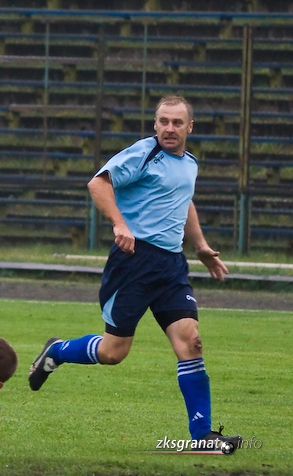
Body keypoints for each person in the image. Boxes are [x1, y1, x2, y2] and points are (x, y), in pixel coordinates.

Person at [28, 95, 241, 450]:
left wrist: (201, 246)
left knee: (191, 342)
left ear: (190, 127)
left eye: (176, 122)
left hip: (171, 266)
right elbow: (98, 184)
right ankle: (58, 351)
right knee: (114, 352)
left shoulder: (189, 163)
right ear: (155, 124)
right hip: (134, 263)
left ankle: (202, 435)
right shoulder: (143, 153)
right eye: (163, 121)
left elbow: (183, 200)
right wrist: (119, 224)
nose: (169, 128)